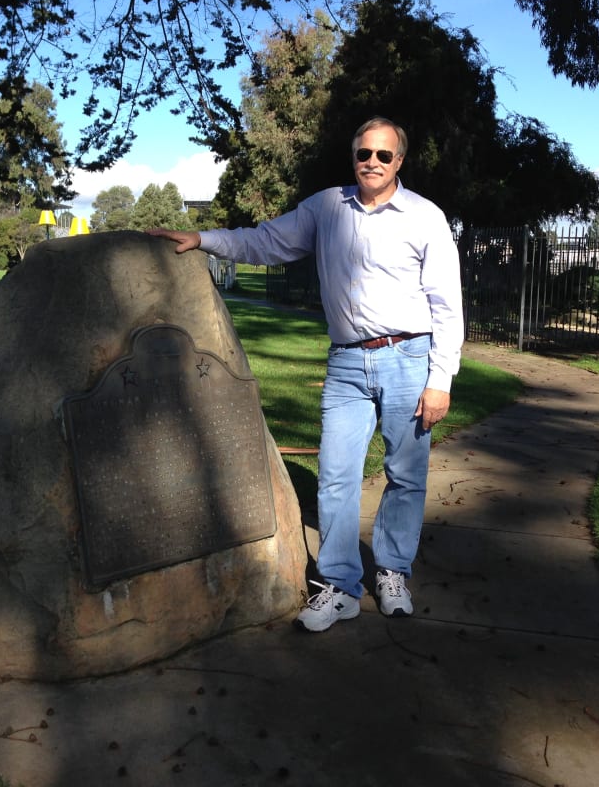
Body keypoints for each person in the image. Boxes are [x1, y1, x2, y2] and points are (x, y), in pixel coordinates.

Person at [149, 116, 464, 632]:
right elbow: (265, 242)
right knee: (337, 475)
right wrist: (202, 238)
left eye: (384, 155)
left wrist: (440, 380)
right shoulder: (326, 207)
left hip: (410, 358)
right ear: (354, 156)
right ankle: (338, 585)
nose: (372, 163)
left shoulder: (426, 218)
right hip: (346, 362)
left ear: (399, 162)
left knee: (406, 477)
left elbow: (447, 305)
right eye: (364, 153)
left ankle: (391, 572)